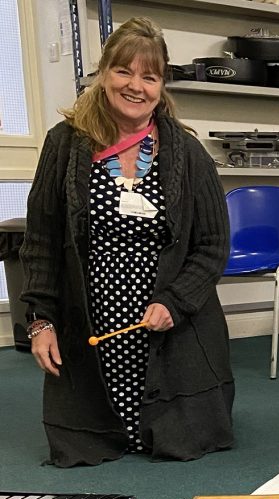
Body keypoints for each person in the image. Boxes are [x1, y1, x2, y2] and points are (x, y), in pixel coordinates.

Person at [21, 17, 234, 467]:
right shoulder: (63, 145)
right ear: (103, 74)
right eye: (124, 71)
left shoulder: (189, 154)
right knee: (88, 438)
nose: (136, 86)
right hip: (92, 324)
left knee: (181, 436)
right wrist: (40, 321)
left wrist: (176, 302)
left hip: (169, 325)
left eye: (150, 76)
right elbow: (40, 241)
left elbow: (213, 246)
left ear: (162, 85)